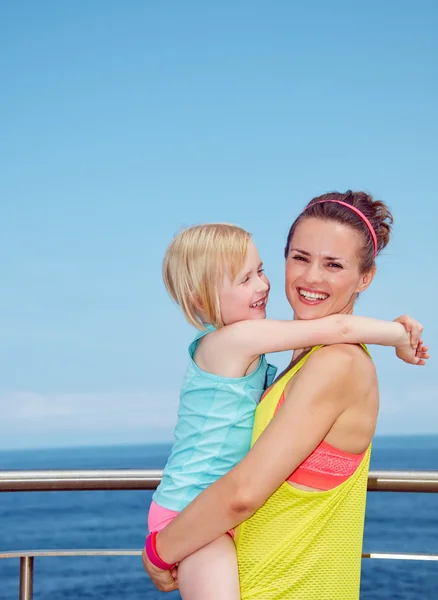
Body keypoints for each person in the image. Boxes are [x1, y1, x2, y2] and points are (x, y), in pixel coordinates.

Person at [144, 207, 428, 600]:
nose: (311, 277)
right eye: (300, 258)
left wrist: (159, 553)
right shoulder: (287, 360)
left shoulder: (336, 362)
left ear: (365, 277)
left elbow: (242, 494)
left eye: (333, 264)